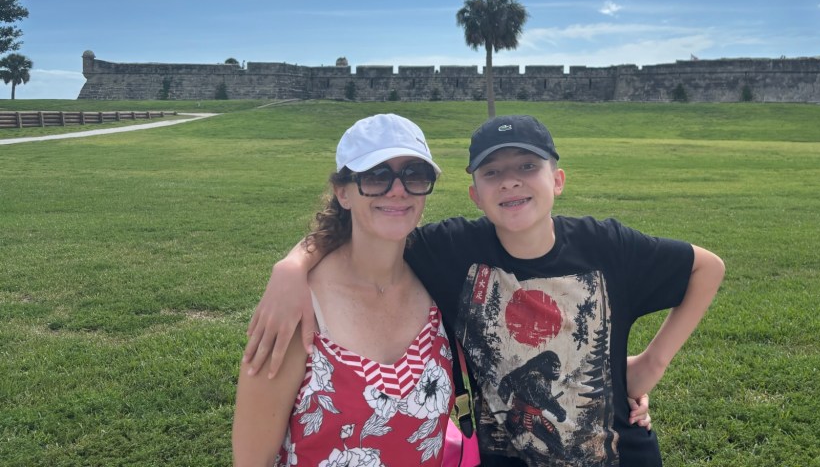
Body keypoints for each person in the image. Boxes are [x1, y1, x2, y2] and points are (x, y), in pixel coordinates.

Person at [246, 114, 725, 466]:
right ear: (475, 194)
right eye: (492, 172)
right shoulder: (452, 252)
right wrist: (291, 267)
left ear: (558, 180)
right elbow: (360, 236)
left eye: (527, 166)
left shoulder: (605, 245)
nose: (511, 182)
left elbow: (706, 269)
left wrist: (648, 366)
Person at [232, 113, 455, 467]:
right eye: (376, 176)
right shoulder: (298, 307)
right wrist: (291, 268)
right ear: (343, 193)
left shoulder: (439, 276)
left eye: (414, 174)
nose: (398, 189)